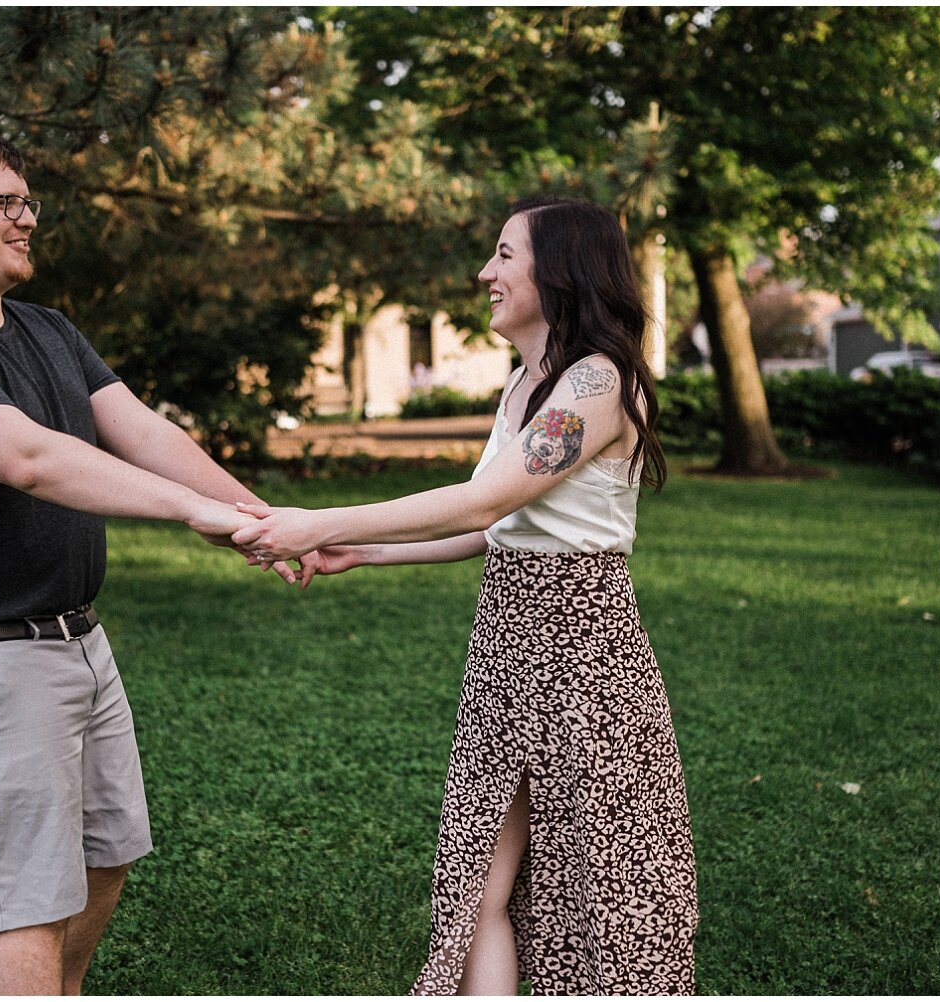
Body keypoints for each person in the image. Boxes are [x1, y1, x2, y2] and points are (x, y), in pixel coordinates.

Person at [0, 124, 305, 995]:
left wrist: (264, 520)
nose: (28, 219)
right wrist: (195, 513)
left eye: (30, 202)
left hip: (75, 646)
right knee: (26, 902)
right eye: (6, 204)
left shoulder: (48, 330)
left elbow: (143, 432)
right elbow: (32, 458)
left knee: (104, 861)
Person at [233, 197, 698, 994]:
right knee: (481, 876)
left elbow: (485, 501)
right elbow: (503, 526)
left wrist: (316, 521)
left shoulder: (594, 381)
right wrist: (363, 551)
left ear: (559, 269)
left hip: (584, 658)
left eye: (504, 254)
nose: (485, 273)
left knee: (601, 887)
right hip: (508, 647)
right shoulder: (527, 384)